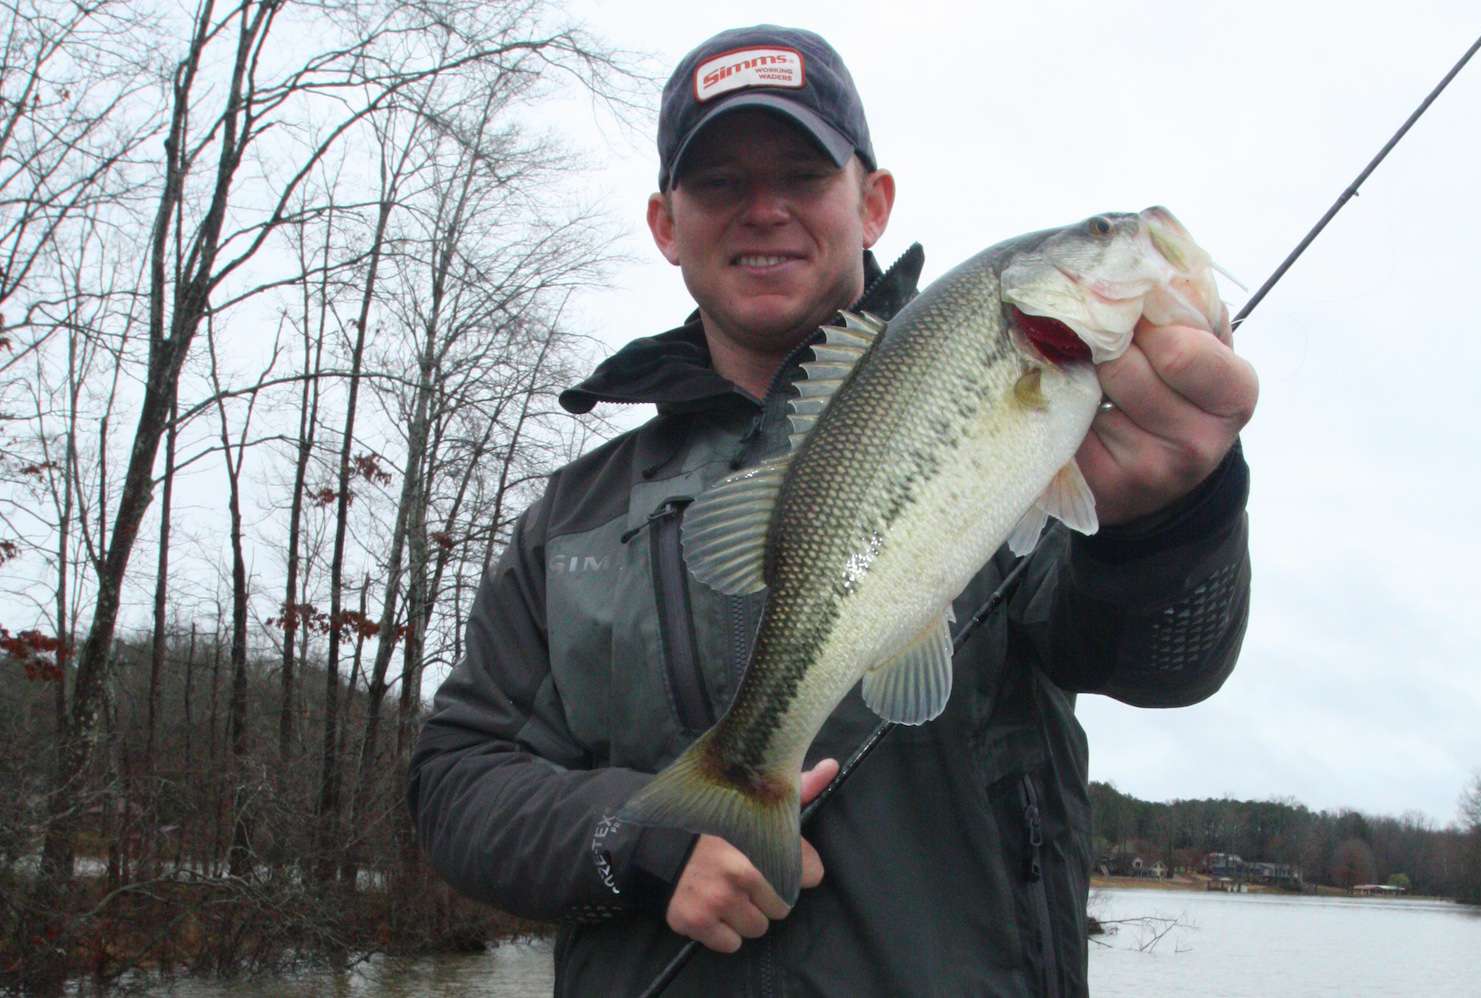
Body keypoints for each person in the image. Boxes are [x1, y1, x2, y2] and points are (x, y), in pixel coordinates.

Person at [407, 24, 1257, 997]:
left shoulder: (1054, 425)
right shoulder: (574, 518)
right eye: (720, 181)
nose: (763, 209)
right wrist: (636, 839)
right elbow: (455, 781)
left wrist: (1173, 520)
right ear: (664, 223)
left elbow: (1163, 659)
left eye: (803, 173)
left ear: (873, 202)